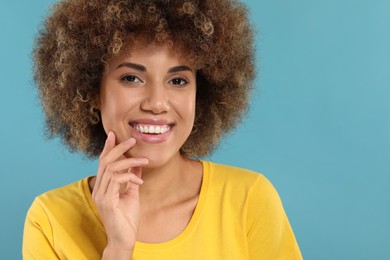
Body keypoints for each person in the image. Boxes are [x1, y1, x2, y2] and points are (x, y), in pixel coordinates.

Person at [23, 0, 302, 259]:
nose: (157, 103)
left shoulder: (248, 199)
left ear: (200, 93)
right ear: (92, 91)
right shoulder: (50, 219)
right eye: (131, 78)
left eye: (178, 81)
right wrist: (119, 249)